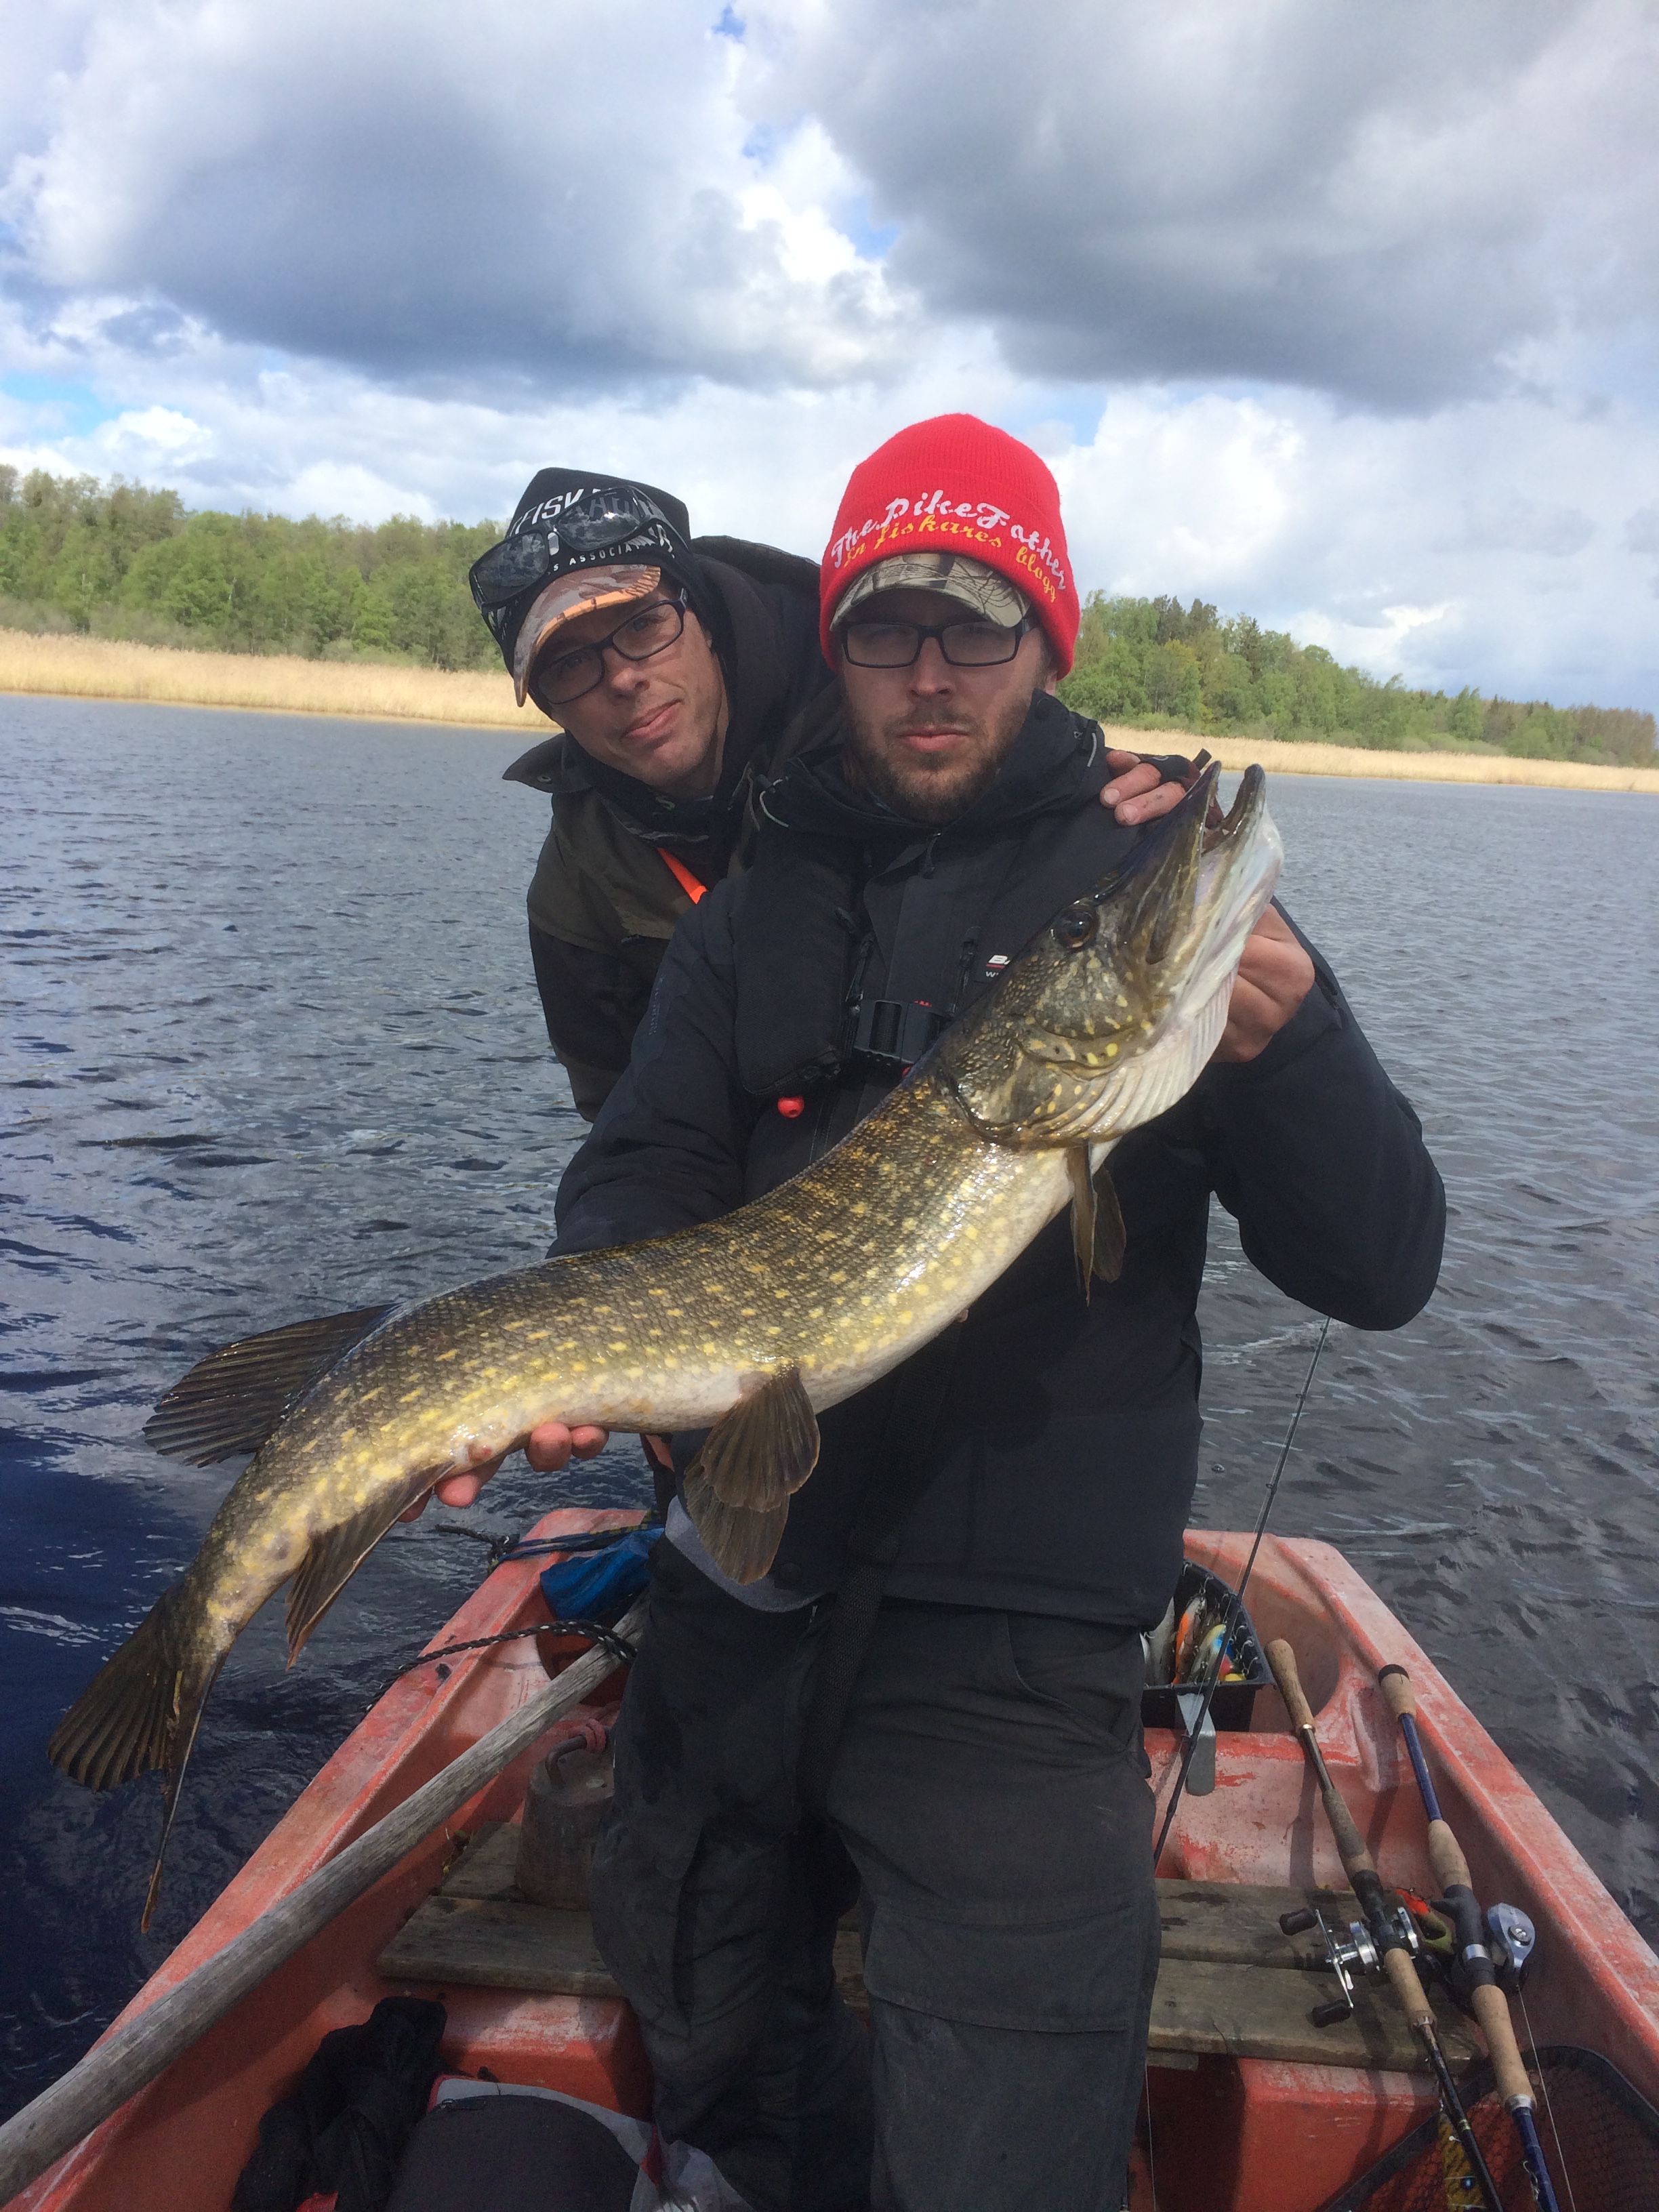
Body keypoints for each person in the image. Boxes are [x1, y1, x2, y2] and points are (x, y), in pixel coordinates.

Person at [445, 415, 1446, 2209]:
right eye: (885, 630)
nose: (928, 676)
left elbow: (1382, 1268)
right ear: (829, 649)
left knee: (1001, 2128)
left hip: (1011, 1635)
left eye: (974, 628)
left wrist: (1301, 1047)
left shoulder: (1146, 883)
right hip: (748, 1581)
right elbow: (635, 1174)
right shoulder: (754, 909)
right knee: (702, 1988)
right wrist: (601, 1334)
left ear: (1048, 639)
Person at [470, 468, 1193, 1119]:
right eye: (567, 664)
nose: (623, 678)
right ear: (547, 704)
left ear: (703, 617)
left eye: (643, 623)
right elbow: (624, 1122)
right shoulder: (577, 883)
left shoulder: (876, 717)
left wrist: (1142, 816)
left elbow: (1018, 760)